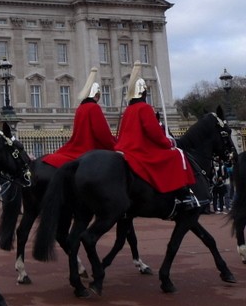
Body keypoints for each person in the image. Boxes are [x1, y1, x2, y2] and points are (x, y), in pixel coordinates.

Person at [114, 61, 198, 212]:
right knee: (177, 154)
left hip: (124, 149)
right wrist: (168, 141)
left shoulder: (128, 110)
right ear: (143, 93)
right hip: (139, 151)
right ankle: (183, 194)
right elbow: (154, 134)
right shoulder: (144, 108)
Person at [42, 67, 117, 168]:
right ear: (96, 95)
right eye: (98, 95)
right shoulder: (94, 107)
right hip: (89, 148)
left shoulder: (80, 108)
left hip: (78, 145)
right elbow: (101, 133)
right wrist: (114, 144)